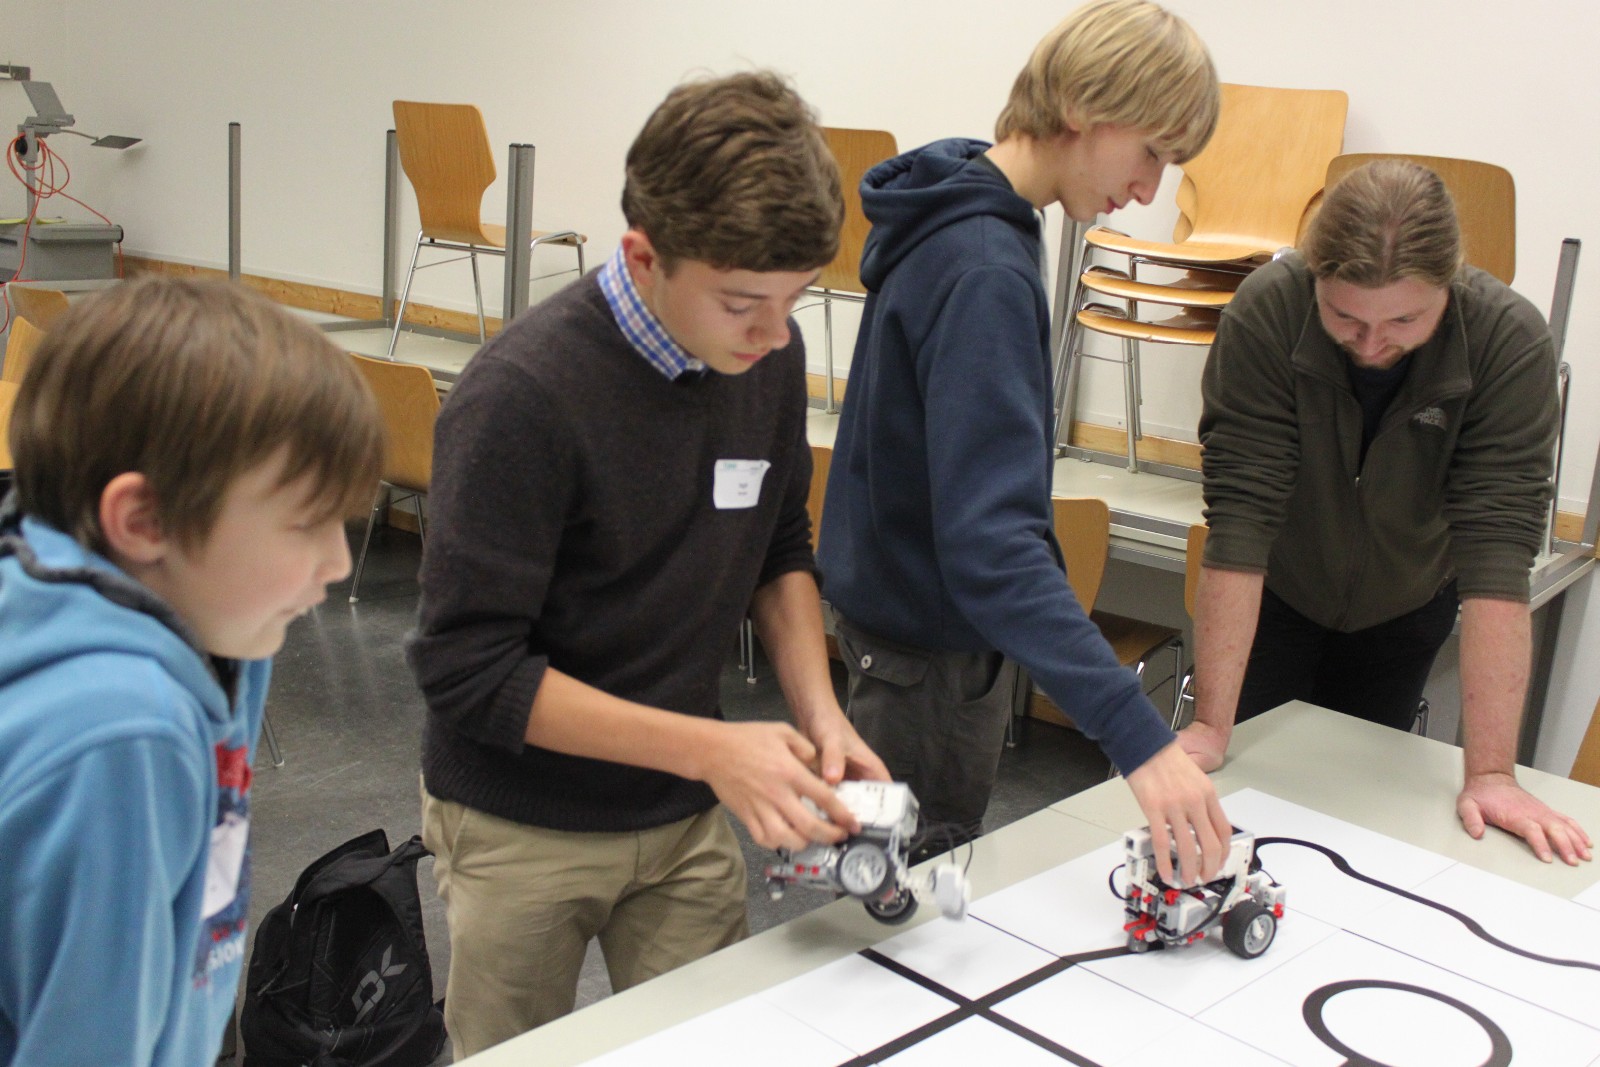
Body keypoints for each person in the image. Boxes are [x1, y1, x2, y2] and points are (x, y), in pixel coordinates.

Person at [406, 71, 889, 1056]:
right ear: (643, 256)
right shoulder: (520, 398)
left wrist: (821, 712)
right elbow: (469, 670)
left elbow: (777, 546)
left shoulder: (764, 354)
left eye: (795, 299)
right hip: (520, 825)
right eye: (743, 302)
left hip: (680, 816)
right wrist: (710, 748)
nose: (775, 334)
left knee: (704, 1042)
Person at [817, 0, 1231, 888]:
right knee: (902, 915)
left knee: (881, 890)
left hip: (900, 635)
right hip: (929, 661)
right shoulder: (984, 264)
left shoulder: (959, 205)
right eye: (1151, 152)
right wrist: (1140, 739)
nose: (1150, 190)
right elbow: (993, 546)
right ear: (1083, 107)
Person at [0, 276, 383, 1066]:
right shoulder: (123, 735)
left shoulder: (220, 629)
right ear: (144, 521)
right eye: (305, 524)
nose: (339, 564)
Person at [1182, 158, 1593, 867]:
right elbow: (1242, 519)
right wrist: (1210, 727)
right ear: (1314, 277)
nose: (1372, 345)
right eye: (1344, 317)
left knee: (1356, 812)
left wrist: (1493, 773)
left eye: (1404, 319)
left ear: (1449, 284)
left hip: (1405, 603)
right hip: (1279, 587)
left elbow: (1496, 559)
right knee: (1245, 798)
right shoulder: (1268, 311)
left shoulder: (1507, 341)